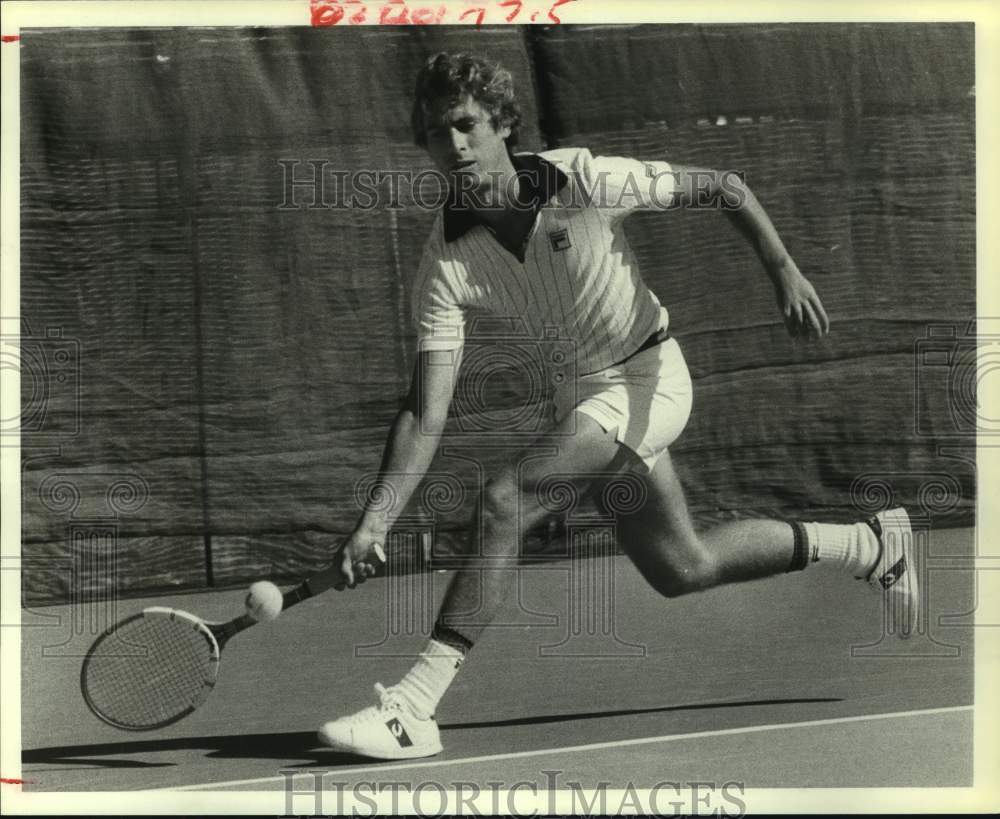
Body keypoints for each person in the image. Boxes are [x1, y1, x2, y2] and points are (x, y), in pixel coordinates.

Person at [317, 52, 917, 760]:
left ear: (503, 124)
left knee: (505, 502)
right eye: (435, 134)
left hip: (649, 378)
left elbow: (723, 186)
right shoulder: (445, 263)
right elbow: (425, 413)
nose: (453, 146)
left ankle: (415, 708)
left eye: (466, 125)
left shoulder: (585, 179)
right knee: (681, 567)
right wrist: (374, 523)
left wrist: (784, 268)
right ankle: (873, 545)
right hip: (582, 396)